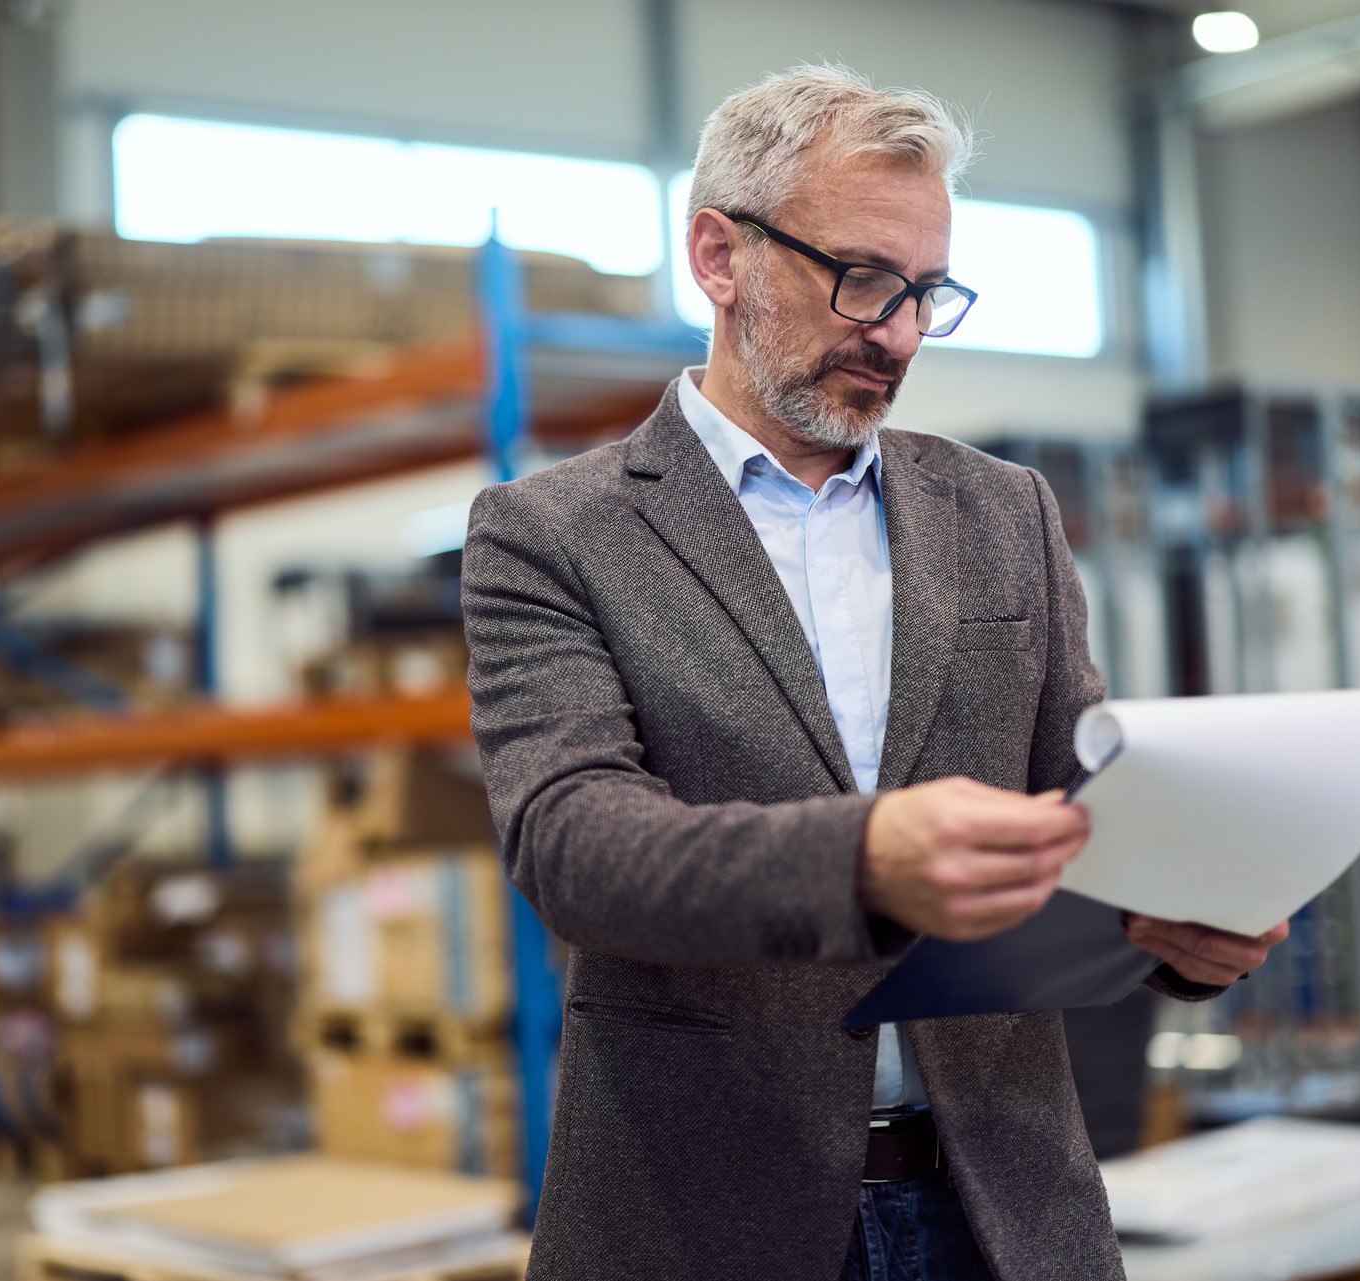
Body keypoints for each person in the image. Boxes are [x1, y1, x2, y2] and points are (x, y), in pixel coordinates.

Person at [460, 64, 1287, 1281]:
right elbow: (576, 846)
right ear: (719, 256)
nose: (897, 332)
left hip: (1000, 1213)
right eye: (860, 279)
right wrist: (865, 860)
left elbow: (1082, 802)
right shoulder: (552, 534)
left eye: (925, 292)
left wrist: (1172, 922)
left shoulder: (1003, 512)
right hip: (704, 1223)